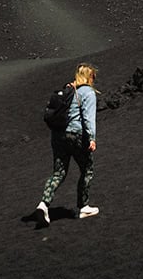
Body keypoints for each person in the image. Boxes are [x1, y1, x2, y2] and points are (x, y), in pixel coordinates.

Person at [35, 63, 99, 223]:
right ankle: (84, 207)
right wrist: (91, 138)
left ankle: (43, 205)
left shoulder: (68, 90)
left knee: (59, 172)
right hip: (76, 135)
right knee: (87, 169)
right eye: (93, 76)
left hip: (58, 136)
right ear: (89, 76)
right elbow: (88, 118)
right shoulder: (88, 92)